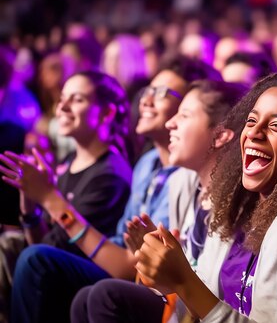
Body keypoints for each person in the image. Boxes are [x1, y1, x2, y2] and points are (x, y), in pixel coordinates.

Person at [110, 71, 277, 322]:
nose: (253, 132)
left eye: (276, 126)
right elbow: (201, 308)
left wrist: (184, 279)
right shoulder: (238, 209)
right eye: (252, 120)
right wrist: (166, 279)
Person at [7, 56, 219, 323]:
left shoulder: (132, 175)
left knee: (40, 262)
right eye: (147, 92)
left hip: (147, 285)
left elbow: (128, 266)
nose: (145, 101)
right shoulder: (147, 163)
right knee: (16, 250)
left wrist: (49, 198)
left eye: (161, 94)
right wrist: (31, 208)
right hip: (122, 271)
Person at [70, 79, 248, 323]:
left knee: (104, 294)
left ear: (220, 136)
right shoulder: (183, 186)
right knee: (83, 298)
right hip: (183, 310)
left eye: (183, 116)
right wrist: (151, 264)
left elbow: (204, 292)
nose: (170, 123)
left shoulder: (235, 207)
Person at [0, 71, 133, 323]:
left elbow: (48, 253)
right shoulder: (69, 163)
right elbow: (41, 242)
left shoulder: (110, 176)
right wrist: (29, 207)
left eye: (77, 99)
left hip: (91, 282)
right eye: (62, 98)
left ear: (106, 113)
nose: (62, 106)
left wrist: (47, 195)